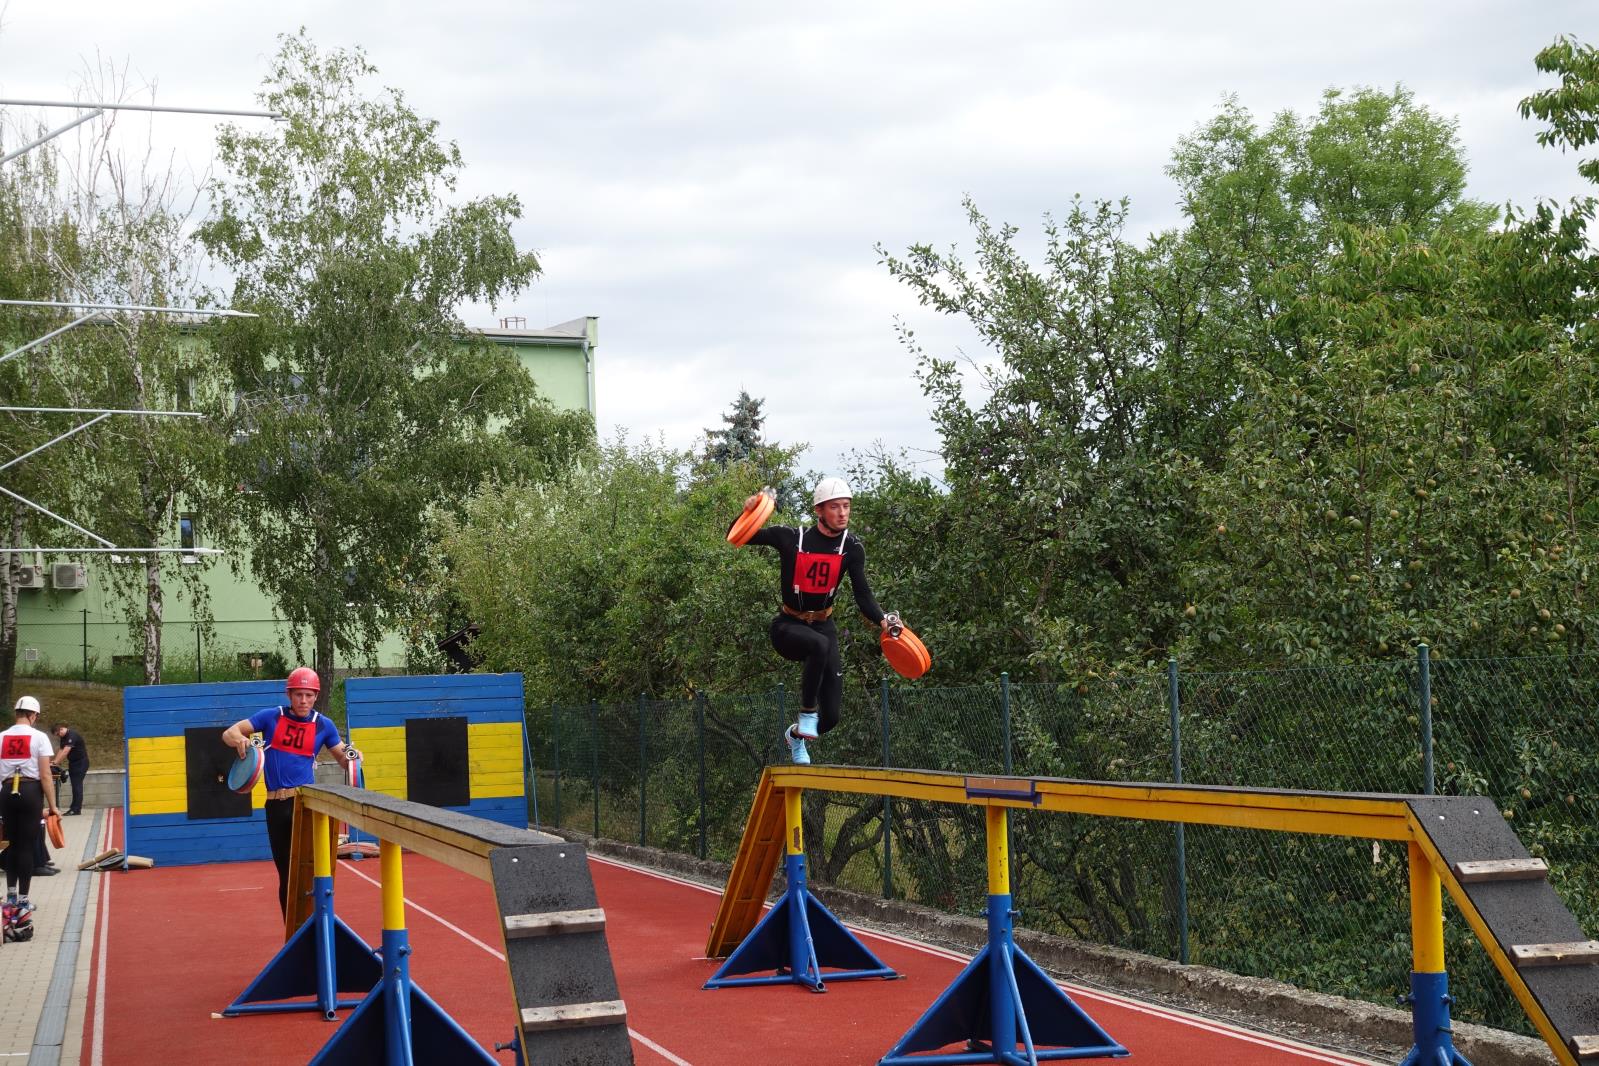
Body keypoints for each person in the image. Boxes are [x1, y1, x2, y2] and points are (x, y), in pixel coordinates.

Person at [732, 477, 895, 765]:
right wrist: (748, 511)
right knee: (818, 645)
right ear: (819, 510)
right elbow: (737, 535)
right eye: (835, 507)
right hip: (787, 627)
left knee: (831, 717)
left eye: (846, 506)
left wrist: (883, 620)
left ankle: (796, 735)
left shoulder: (852, 547)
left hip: (823, 626)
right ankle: (807, 712)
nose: (842, 513)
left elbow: (863, 595)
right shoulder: (791, 537)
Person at [221, 668, 352, 916]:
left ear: (316, 696)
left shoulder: (323, 725)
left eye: (309, 695)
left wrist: (354, 758)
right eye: (298, 695)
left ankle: (317, 928)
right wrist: (240, 739)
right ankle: (292, 932)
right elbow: (229, 733)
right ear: (289, 695)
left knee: (312, 873)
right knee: (286, 875)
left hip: (305, 804)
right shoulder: (271, 717)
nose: (303, 700)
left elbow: (344, 759)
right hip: (275, 806)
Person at [1, 695, 61, 928]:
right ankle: (24, 900)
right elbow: (45, 775)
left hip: (7, 791)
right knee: (26, 847)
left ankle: (11, 896)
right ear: (33, 715)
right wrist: (53, 806)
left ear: (17, 713)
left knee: (12, 845)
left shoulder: (1, 737)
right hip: (30, 791)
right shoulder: (39, 737)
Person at [51, 722, 89, 815]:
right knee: (75, 785)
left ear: (61, 729)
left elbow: (65, 751)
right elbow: (61, 750)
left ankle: (76, 809)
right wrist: (54, 762)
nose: (58, 736)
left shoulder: (72, 735)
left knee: (77, 785)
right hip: (73, 763)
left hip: (81, 763)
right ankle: (74, 808)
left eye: (58, 734)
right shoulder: (63, 737)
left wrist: (55, 763)